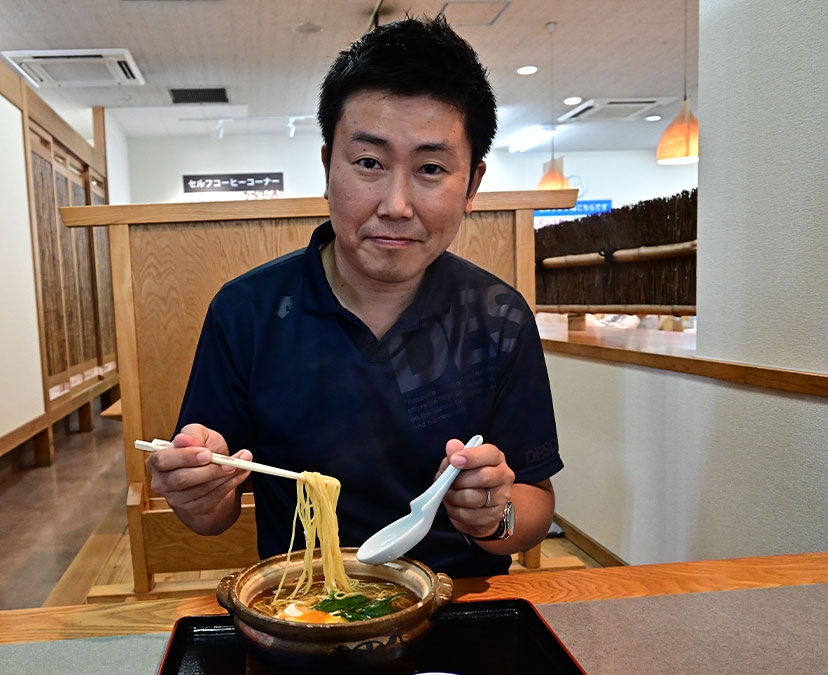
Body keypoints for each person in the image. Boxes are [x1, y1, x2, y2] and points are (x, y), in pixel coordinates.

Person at [147, 16, 562, 578]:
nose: (395, 203)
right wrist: (198, 491)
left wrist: (496, 514)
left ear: (472, 186)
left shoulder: (498, 316)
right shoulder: (246, 311)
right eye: (369, 162)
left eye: (431, 169)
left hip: (454, 605)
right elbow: (211, 516)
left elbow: (534, 502)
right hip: (298, 606)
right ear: (327, 166)